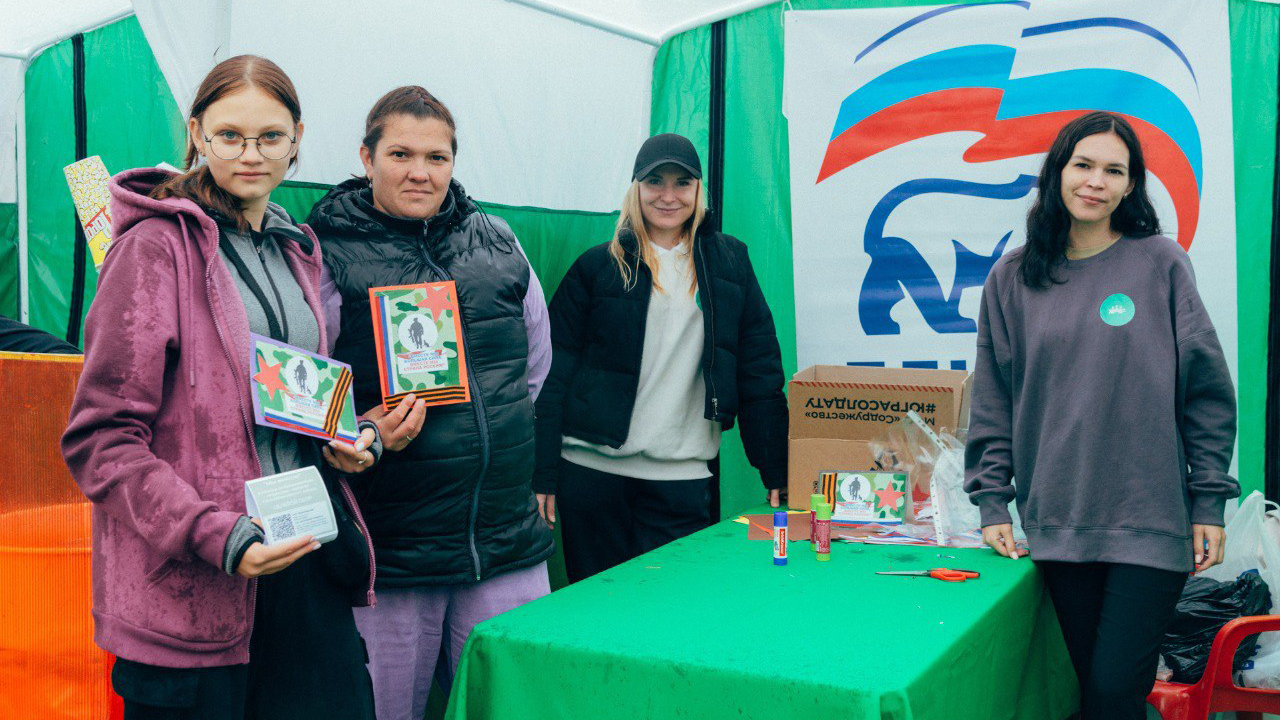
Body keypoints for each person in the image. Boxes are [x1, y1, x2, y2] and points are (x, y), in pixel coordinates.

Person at [61, 55, 380, 720]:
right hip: (192, 586)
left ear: (297, 139)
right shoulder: (153, 248)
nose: (251, 155)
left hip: (303, 561)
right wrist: (215, 534)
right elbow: (101, 439)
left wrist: (345, 440)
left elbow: (290, 398)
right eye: (230, 135)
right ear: (197, 133)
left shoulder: (293, 248)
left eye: (270, 137)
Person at [964, 111, 1239, 720]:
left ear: (1130, 185)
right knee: (1090, 693)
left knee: (1115, 690)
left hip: (1152, 519)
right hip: (1058, 519)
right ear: (1056, 172)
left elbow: (1207, 394)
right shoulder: (1012, 278)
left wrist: (1208, 502)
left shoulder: (1161, 263)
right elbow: (994, 402)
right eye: (1083, 165)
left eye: (1114, 171)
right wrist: (992, 502)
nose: (1096, 181)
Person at [306, 85, 554, 720]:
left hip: (502, 543)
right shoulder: (323, 252)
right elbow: (302, 384)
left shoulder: (498, 240)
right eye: (401, 154)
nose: (420, 172)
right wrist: (353, 431)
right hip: (393, 554)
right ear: (367, 157)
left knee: (512, 707)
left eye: (436, 157)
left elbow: (534, 368)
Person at [533, 133, 789, 583]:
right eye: (655, 181)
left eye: (682, 183)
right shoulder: (597, 266)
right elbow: (551, 376)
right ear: (636, 187)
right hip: (591, 476)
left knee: (670, 612)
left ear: (698, 189)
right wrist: (542, 474)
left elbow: (759, 372)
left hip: (682, 481)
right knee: (599, 612)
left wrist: (777, 467)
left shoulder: (731, 264)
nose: (668, 196)